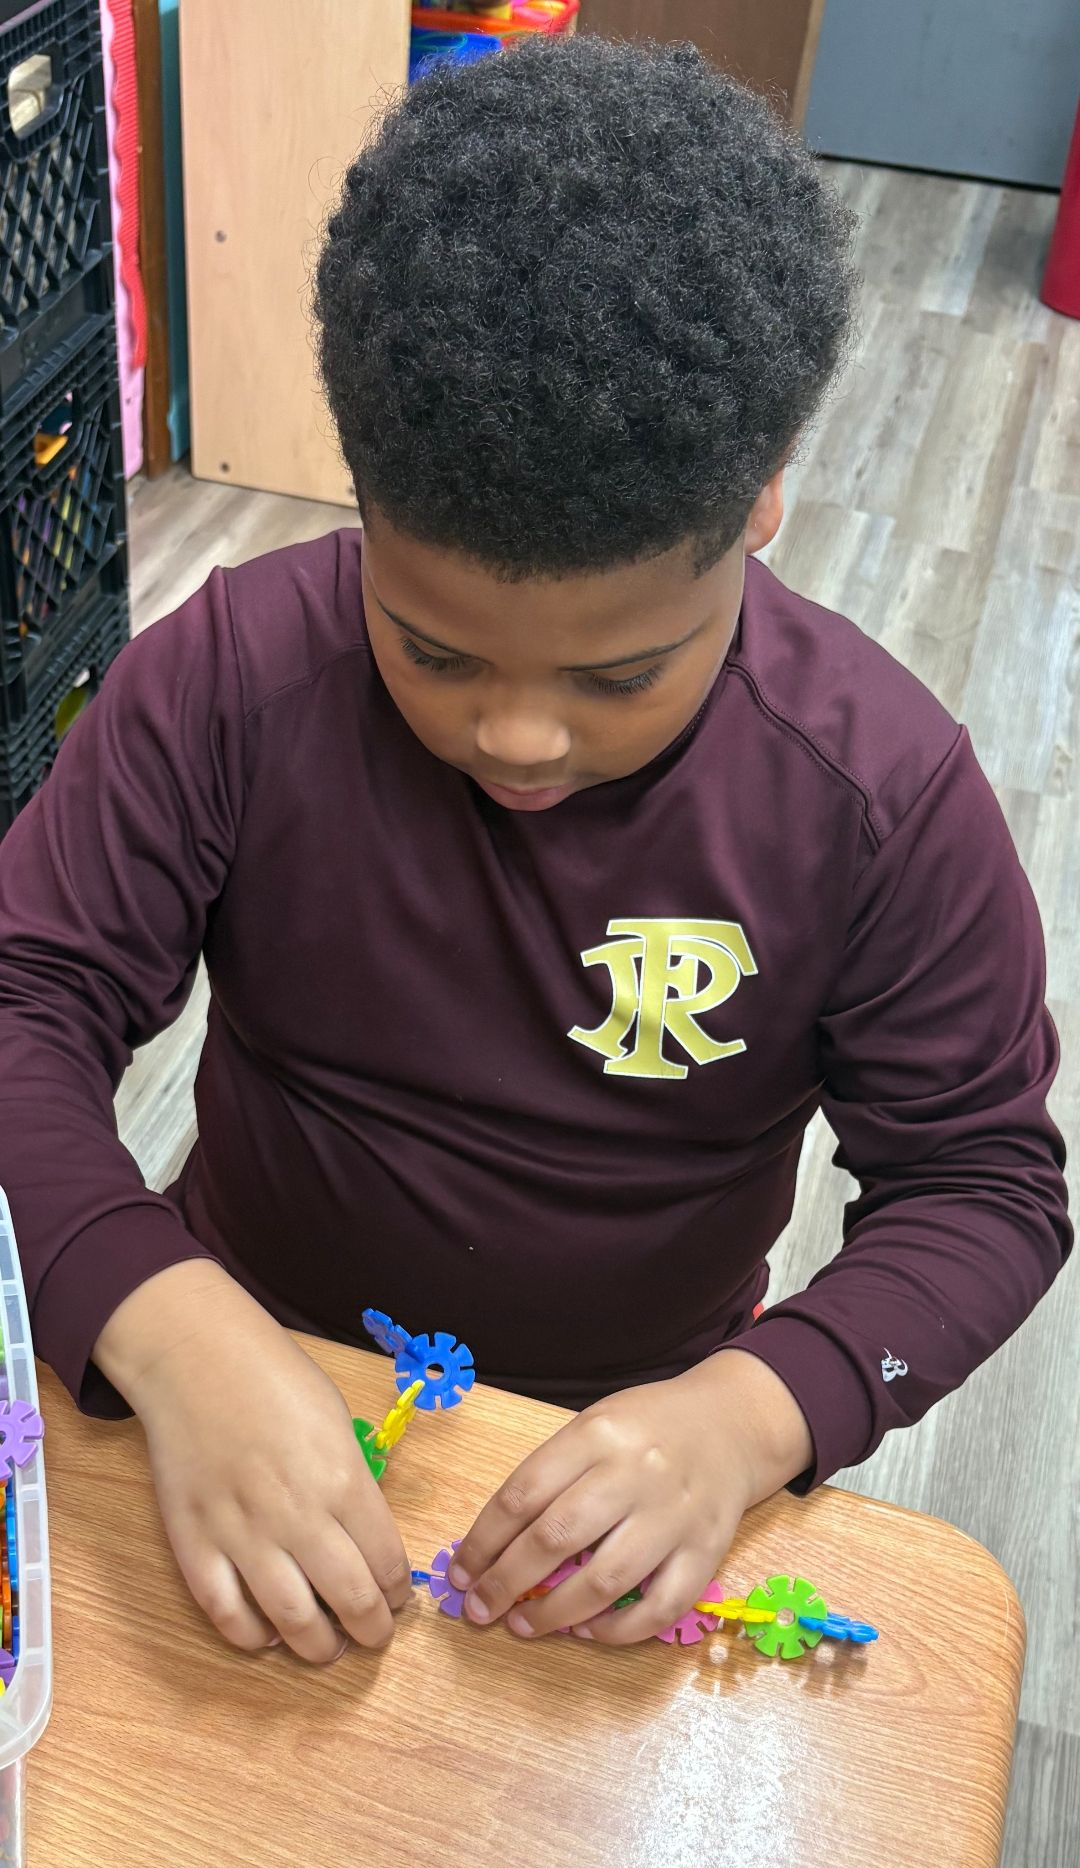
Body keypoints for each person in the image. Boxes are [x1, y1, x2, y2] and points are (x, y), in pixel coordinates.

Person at [0, 36, 1069, 1664]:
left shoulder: (877, 794)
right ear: (356, 493)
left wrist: (753, 1415)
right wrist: (155, 1308)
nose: (518, 737)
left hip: (625, 1454)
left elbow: (983, 1185)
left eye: (620, 674)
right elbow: (25, 1002)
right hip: (230, 1366)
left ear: (763, 503)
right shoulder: (232, 677)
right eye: (433, 650)